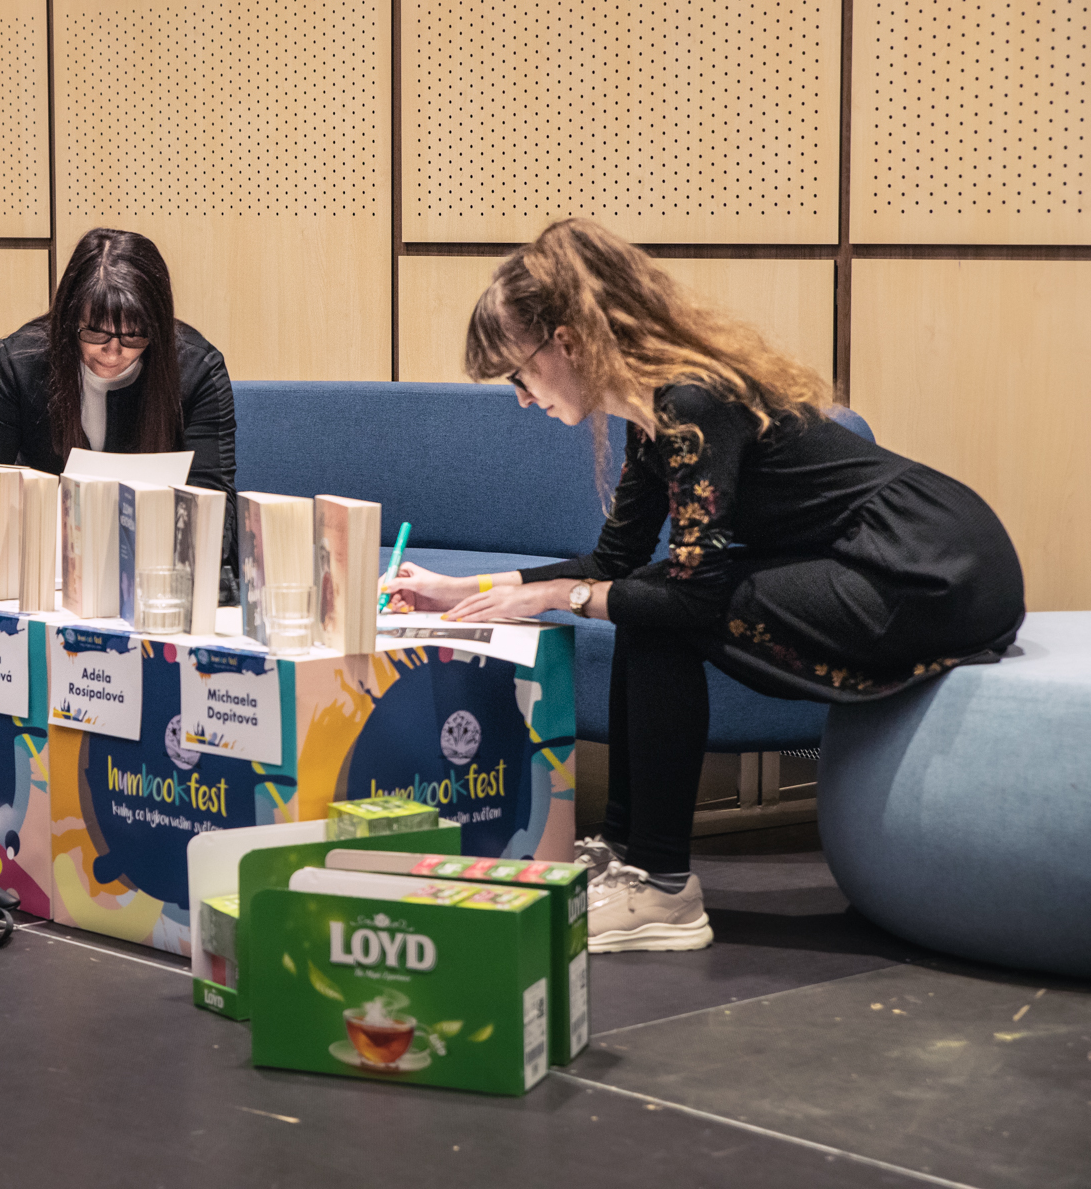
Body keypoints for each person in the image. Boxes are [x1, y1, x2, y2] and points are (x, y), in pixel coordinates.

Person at [383, 219, 1024, 955]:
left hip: (931, 569)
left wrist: (558, 597)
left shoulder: (692, 402)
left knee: (661, 610)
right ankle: (627, 856)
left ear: (566, 342)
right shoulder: (651, 417)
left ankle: (662, 889)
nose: (522, 398)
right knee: (643, 596)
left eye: (517, 374)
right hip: (899, 556)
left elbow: (682, 595)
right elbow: (614, 562)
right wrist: (460, 588)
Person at [0, 228, 238, 594]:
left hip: (155, 584)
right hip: (42, 581)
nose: (113, 352)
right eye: (95, 333)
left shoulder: (196, 370)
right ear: (69, 320)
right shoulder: (21, 363)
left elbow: (215, 510)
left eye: (134, 336)